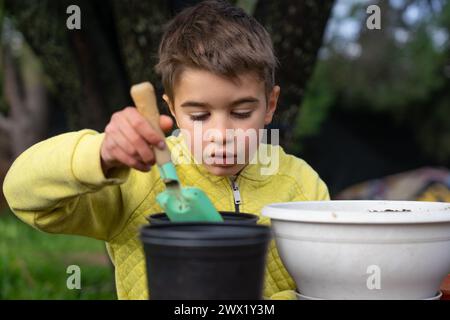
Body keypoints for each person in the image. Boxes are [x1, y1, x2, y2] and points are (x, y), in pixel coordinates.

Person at [3, 0, 329, 300]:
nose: (221, 134)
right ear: (171, 109)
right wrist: (99, 155)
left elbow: (327, 285)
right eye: (199, 116)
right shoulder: (135, 180)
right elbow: (22, 194)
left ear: (270, 105)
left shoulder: (301, 186)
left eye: (242, 113)